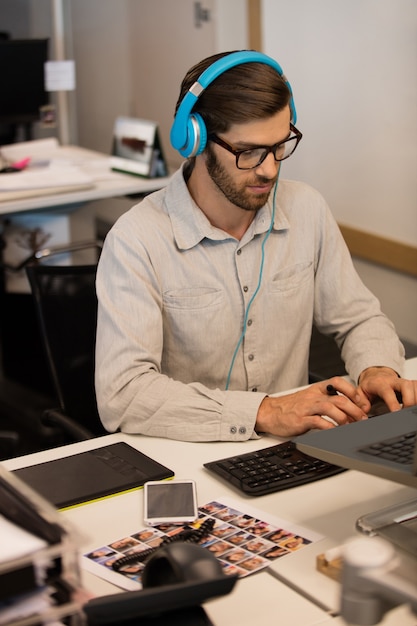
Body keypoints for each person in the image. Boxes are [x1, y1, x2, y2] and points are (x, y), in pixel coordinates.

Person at [95, 50, 417, 442]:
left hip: (294, 445)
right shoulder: (137, 239)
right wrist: (265, 411)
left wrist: (377, 368)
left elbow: (358, 318)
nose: (270, 168)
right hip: (188, 450)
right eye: (249, 152)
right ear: (195, 140)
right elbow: (124, 393)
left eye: (280, 145)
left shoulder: (306, 209)